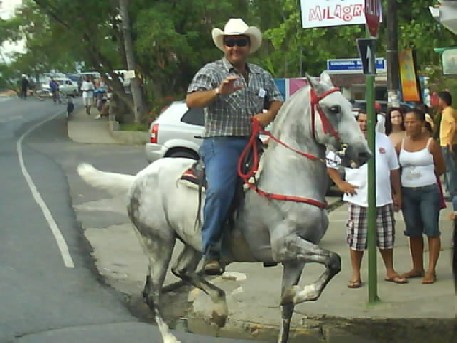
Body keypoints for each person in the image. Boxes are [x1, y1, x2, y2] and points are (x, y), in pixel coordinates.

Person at [186, 18, 283, 275]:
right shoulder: (211, 72)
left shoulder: (262, 75)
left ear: (249, 45)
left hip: (254, 142)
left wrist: (267, 117)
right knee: (219, 190)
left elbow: (276, 102)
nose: (235, 47)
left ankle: (268, 241)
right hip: (221, 142)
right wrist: (218, 91)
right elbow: (192, 100)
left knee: (278, 185)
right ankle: (210, 250)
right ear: (224, 45)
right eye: (230, 42)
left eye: (240, 42)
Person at [327, 110, 406, 288]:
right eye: (360, 121)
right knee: (357, 239)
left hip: (383, 199)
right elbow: (330, 165)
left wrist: (397, 194)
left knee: (386, 238)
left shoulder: (384, 140)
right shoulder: (346, 142)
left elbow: (394, 170)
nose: (363, 124)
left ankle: (390, 271)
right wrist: (341, 184)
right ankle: (356, 274)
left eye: (367, 121)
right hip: (358, 200)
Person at [397, 108, 446, 284]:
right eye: (406, 122)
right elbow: (396, 169)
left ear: (421, 123)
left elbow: (441, 168)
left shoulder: (431, 143)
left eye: (412, 122)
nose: (409, 125)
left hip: (428, 191)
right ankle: (417, 267)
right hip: (407, 192)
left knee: (431, 229)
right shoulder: (401, 144)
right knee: (413, 231)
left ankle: (431, 270)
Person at [437, 91, 457, 200]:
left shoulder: (447, 112)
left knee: (449, 168)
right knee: (451, 168)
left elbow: (453, 124)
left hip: (446, 144)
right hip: (449, 143)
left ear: (443, 100)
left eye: (439, 99)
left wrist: (449, 139)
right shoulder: (450, 111)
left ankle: (452, 192)